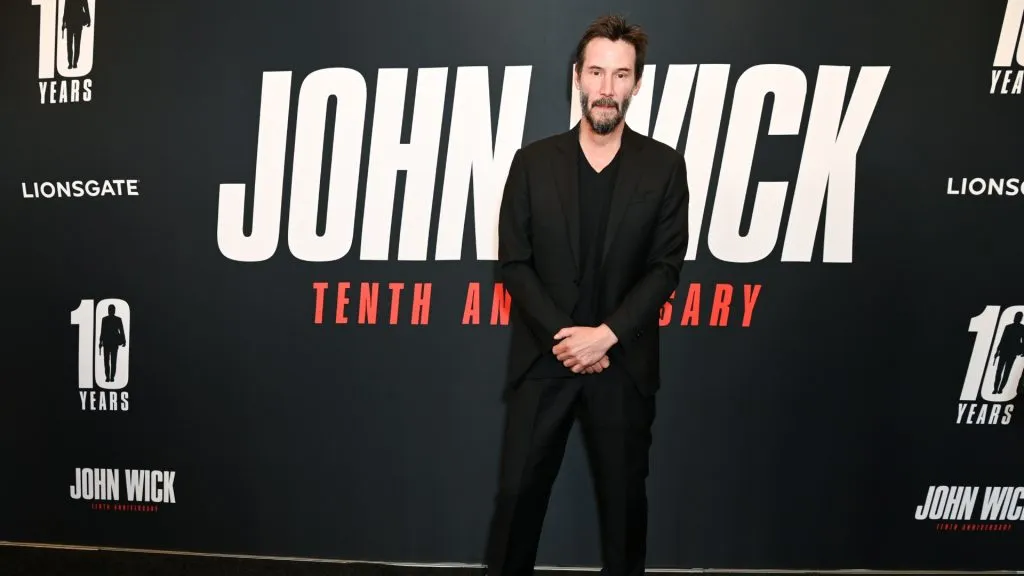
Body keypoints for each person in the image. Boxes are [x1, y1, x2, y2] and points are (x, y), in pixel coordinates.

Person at [484, 13, 689, 576]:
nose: (607, 88)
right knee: (517, 503)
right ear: (577, 76)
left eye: (620, 75)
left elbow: (665, 268)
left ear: (637, 84)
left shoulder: (666, 168)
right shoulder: (532, 163)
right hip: (544, 359)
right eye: (596, 72)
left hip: (622, 365)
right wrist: (568, 339)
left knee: (625, 512)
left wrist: (606, 336)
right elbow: (515, 264)